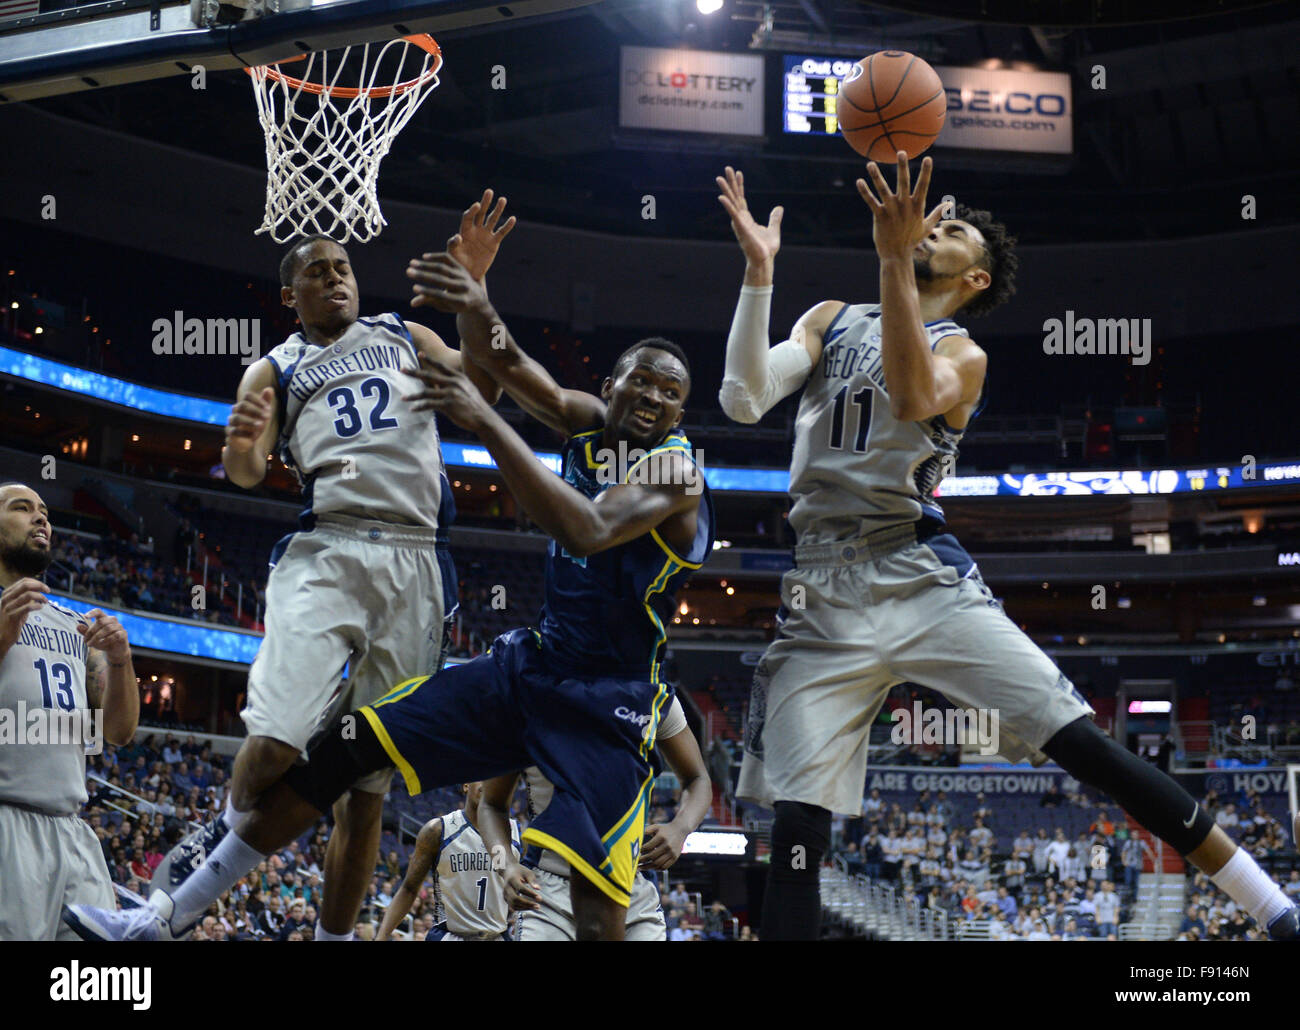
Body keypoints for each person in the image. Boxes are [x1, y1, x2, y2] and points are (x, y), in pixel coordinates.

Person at [714, 156, 1300, 940]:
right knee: (796, 823)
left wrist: (893, 259)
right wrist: (759, 274)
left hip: (919, 575)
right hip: (818, 588)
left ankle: (1275, 909)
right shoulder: (830, 318)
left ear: (976, 278)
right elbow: (743, 398)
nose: (934, 226)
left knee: (1084, 745)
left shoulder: (964, 354)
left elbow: (913, 394)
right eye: (933, 220)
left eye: (952, 227)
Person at [66, 237, 714, 942]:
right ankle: (166, 916)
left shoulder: (677, 473)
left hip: (610, 700)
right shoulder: (587, 419)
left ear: (681, 415)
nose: (653, 398)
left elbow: (585, 529)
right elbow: (510, 365)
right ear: (613, 386)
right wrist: (476, 299)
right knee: (348, 746)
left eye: (670, 394)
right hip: (533, 665)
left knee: (595, 915)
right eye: (642, 382)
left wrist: (485, 420)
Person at [148, 197, 511, 942]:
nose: (336, 277)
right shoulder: (274, 366)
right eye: (317, 271)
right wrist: (238, 445)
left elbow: (486, 391)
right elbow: (248, 470)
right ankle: (220, 827)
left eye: (342, 266)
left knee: (366, 789)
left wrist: (475, 295)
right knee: (278, 742)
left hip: (418, 560)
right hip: (330, 548)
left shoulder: (403, 334)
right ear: (291, 295)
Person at [0, 482, 139, 939]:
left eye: (44, 511)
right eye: (22, 508)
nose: (41, 518)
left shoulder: (74, 626)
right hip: (7, 823)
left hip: (71, 829)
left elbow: (118, 731)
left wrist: (120, 661)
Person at [487, 694, 711, 942]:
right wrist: (505, 865)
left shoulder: (654, 694)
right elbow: (490, 804)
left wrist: (681, 828)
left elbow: (698, 778)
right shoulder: (524, 698)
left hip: (631, 885)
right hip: (548, 892)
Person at [375, 782, 520, 941]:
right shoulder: (438, 830)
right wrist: (381, 937)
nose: (486, 783)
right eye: (481, 777)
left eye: (492, 778)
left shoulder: (517, 833)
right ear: (466, 785)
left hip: (498, 935)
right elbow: (409, 889)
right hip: (450, 935)